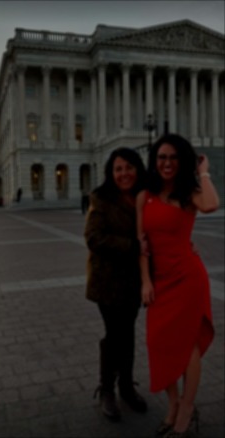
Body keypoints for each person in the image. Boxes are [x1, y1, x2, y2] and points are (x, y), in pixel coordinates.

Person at [137, 134, 219, 438]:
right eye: (162, 157)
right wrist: (145, 280)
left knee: (188, 346)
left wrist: (204, 171)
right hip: (159, 281)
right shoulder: (144, 195)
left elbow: (211, 203)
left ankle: (185, 408)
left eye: (173, 158)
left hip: (188, 277)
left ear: (181, 161)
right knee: (159, 343)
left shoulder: (189, 194)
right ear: (155, 161)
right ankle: (172, 404)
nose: (167, 163)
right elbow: (141, 244)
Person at [84, 147, 148, 421]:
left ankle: (125, 386)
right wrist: (133, 246)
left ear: (137, 169)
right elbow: (93, 237)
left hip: (134, 281)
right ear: (112, 172)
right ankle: (108, 389)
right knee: (114, 335)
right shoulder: (101, 198)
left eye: (129, 167)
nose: (124, 173)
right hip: (107, 281)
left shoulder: (144, 197)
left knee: (128, 334)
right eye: (119, 168)